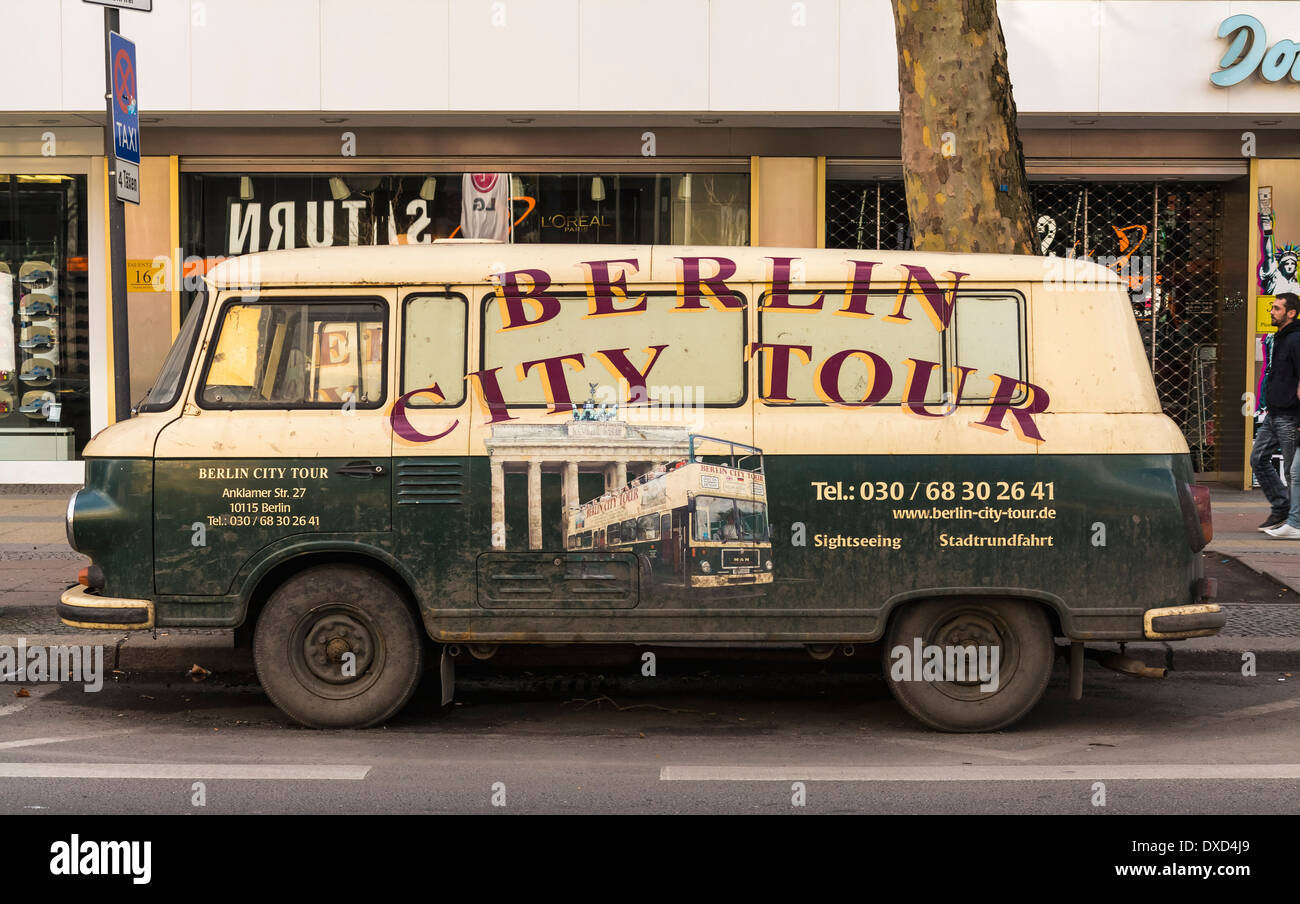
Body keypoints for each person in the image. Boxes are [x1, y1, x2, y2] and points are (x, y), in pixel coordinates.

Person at [1259, 292, 1300, 535]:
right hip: (1274, 413)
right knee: (1258, 459)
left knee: (1292, 471)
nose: (1271, 312)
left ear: (1290, 313)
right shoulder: (1282, 337)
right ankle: (1282, 506)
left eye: (1276, 308)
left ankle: (1293, 522)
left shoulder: (1295, 339)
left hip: (1288, 414)